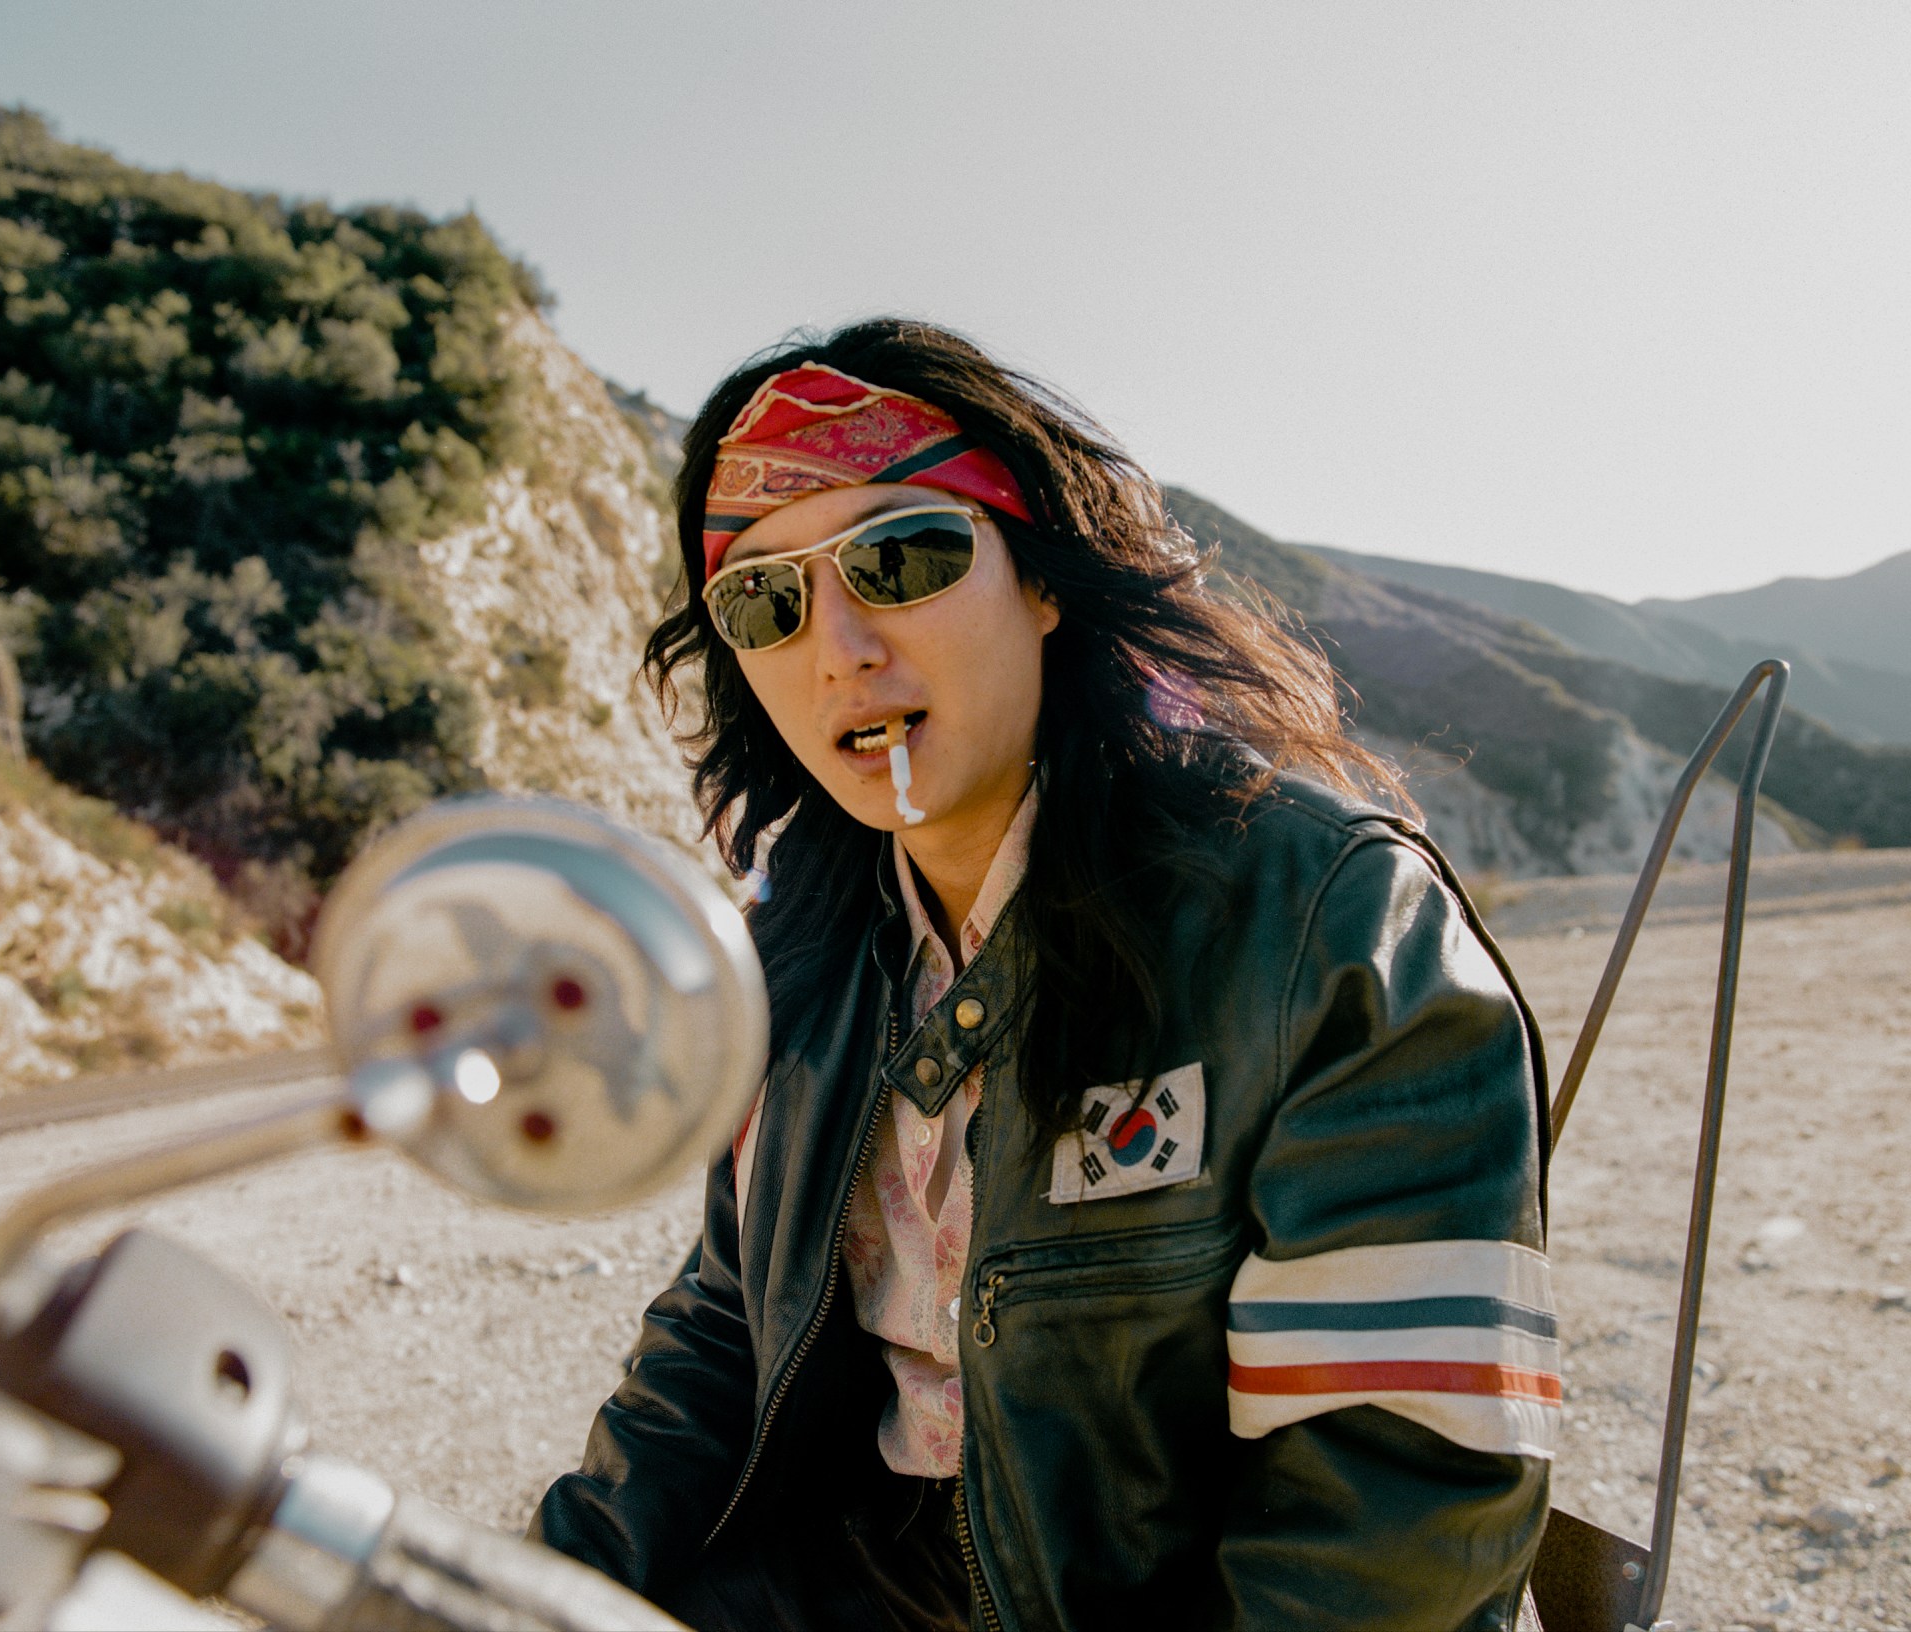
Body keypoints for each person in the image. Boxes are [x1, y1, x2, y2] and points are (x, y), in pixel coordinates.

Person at [533, 320, 1555, 1630]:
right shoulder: (789, 955)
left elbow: (1398, 1500)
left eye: (903, 557)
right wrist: (532, 1592)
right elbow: (727, 1326)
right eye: (766, 600)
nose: (838, 646)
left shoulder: (1323, 923)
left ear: (1045, 578)